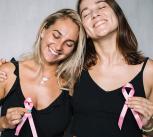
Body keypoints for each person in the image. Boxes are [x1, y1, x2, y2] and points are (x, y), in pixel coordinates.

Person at [70, 0, 153, 137]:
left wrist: (149, 126)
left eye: (101, 6)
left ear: (118, 15)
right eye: (86, 14)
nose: (95, 14)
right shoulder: (74, 71)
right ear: (84, 31)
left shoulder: (150, 71)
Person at [0, 8, 86, 137]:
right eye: (56, 36)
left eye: (69, 44)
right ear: (43, 31)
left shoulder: (72, 86)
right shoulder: (8, 72)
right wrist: (4, 123)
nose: (58, 47)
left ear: (74, 50)